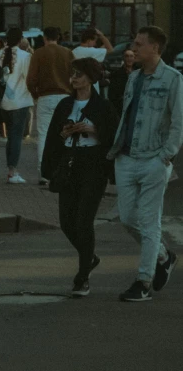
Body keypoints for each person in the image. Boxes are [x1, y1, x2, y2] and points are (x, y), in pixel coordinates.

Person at [107, 26, 182, 302]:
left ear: (155, 48)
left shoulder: (173, 79)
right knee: (128, 218)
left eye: (139, 44)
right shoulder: (134, 77)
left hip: (154, 160)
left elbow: (178, 123)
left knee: (150, 223)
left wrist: (165, 157)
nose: (133, 49)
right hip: (126, 157)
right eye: (134, 43)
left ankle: (143, 281)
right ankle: (164, 256)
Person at [41, 58, 118, 297]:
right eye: (72, 74)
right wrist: (64, 132)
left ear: (91, 78)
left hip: (93, 166)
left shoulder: (103, 106)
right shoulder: (65, 104)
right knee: (67, 221)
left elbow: (115, 136)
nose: (74, 78)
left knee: (84, 221)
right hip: (70, 163)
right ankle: (90, 257)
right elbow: (54, 136)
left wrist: (92, 129)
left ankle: (83, 276)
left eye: (79, 74)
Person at [27, 26, 75, 185]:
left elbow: (31, 80)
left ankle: (44, 172)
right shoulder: (68, 53)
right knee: (65, 133)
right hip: (65, 97)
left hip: (45, 96)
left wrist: (36, 95)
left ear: (44, 37)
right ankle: (63, 169)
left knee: (43, 134)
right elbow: (74, 76)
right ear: (59, 37)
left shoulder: (39, 53)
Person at [0, 28, 33, 184]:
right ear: (21, 39)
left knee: (10, 137)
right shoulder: (26, 56)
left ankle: (9, 169)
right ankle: (13, 171)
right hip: (20, 100)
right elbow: (28, 79)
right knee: (16, 137)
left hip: (3, 101)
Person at [73, 28, 113, 92]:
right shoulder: (92, 52)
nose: (95, 44)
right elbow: (110, 49)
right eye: (94, 41)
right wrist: (102, 36)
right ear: (89, 40)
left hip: (76, 86)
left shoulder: (74, 51)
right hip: (91, 88)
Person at [108, 48, 136, 116]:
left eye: (131, 56)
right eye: (127, 56)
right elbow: (111, 95)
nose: (129, 58)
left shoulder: (140, 73)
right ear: (123, 58)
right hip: (122, 108)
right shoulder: (116, 74)